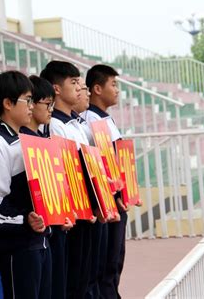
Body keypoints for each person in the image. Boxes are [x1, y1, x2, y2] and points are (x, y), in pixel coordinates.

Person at [0, 71, 51, 299]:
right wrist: (25, 219)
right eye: (27, 99)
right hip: (16, 246)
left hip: (38, 240)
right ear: (8, 103)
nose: (31, 106)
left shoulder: (25, 140)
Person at [40, 60, 92, 299]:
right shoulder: (57, 126)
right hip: (72, 212)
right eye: (73, 83)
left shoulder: (75, 123)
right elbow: (64, 174)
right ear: (56, 89)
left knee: (87, 274)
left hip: (87, 207)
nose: (79, 89)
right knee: (72, 279)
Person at [21, 75, 73, 299]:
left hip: (55, 225)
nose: (51, 109)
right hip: (36, 231)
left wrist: (64, 213)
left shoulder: (43, 137)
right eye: (47, 104)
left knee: (59, 286)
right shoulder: (22, 142)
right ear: (31, 105)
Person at [81, 64, 126, 299]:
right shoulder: (90, 120)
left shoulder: (103, 118)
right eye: (113, 84)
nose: (117, 90)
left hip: (116, 199)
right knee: (106, 265)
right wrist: (114, 197)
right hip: (106, 201)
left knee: (115, 261)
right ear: (97, 88)